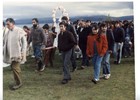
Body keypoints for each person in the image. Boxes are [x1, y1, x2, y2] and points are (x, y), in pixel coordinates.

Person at [3, 18, 27, 90]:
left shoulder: (19, 30)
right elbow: (5, 42)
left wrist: (23, 52)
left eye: (8, 24)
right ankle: (17, 82)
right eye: (6, 24)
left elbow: (24, 43)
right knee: (14, 68)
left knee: (15, 68)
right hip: (11, 54)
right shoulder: (8, 32)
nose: (7, 26)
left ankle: (19, 83)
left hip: (18, 54)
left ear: (12, 23)